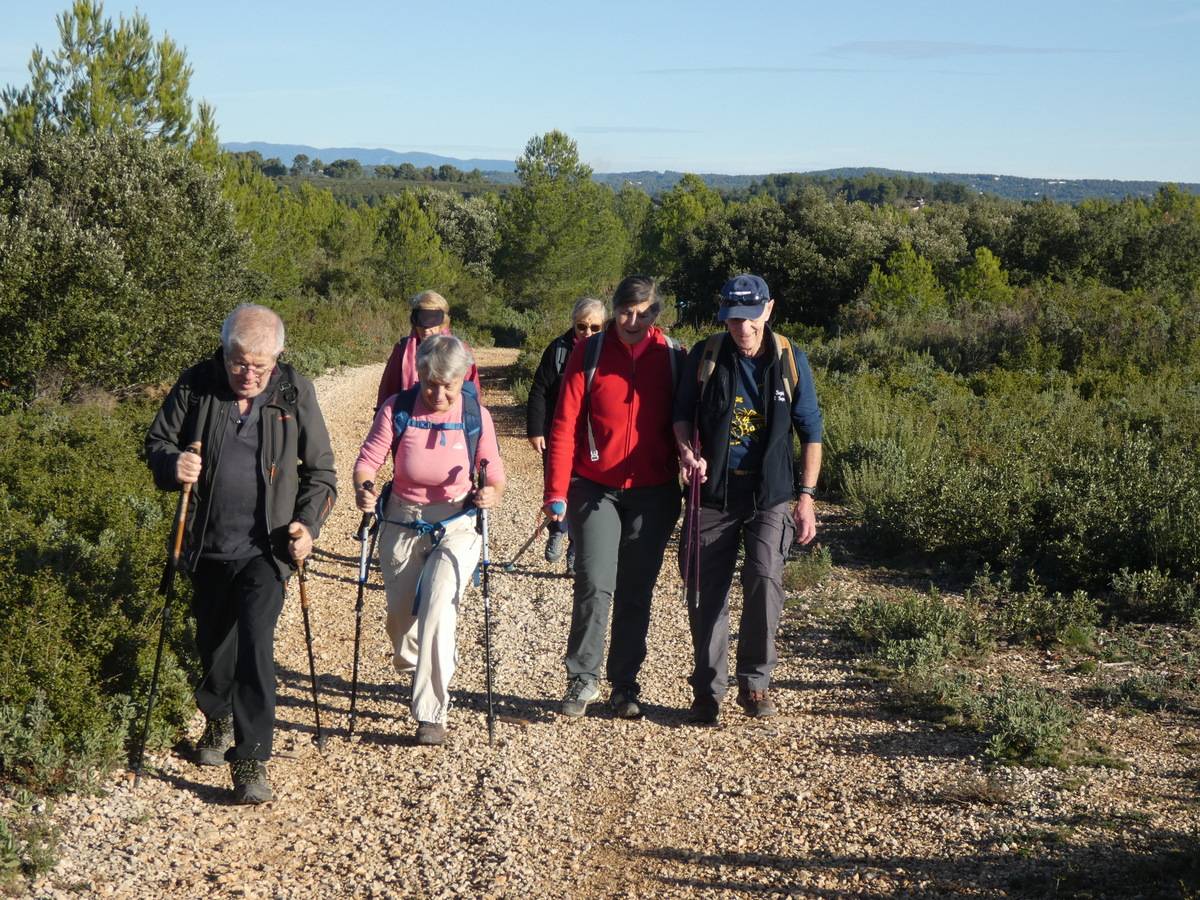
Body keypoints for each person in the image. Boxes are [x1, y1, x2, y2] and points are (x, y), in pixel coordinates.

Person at [145, 304, 337, 804]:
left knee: (255, 642)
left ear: (277, 358)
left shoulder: (295, 391)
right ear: (224, 350)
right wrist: (173, 465)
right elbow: (157, 442)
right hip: (206, 543)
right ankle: (218, 717)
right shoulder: (197, 383)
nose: (247, 374)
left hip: (267, 550)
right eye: (237, 362)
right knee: (213, 641)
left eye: (259, 365)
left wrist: (308, 526)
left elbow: (321, 474)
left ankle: (251, 757)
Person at [672, 274, 823, 724]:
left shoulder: (789, 359)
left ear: (768, 310)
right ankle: (707, 691)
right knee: (703, 590)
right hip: (713, 491)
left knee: (764, 580)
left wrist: (807, 497)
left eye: (751, 319)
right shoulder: (707, 355)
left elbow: (811, 432)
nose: (744, 329)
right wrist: (685, 451)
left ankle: (755, 684)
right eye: (735, 320)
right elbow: (681, 416)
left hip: (769, 493)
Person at [543, 275, 685, 719]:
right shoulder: (591, 352)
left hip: (654, 493)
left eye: (644, 313)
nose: (633, 321)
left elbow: (691, 424)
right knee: (593, 582)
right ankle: (583, 678)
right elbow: (564, 426)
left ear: (655, 314)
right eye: (626, 311)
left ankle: (624, 685)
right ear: (613, 309)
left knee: (636, 591)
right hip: (594, 488)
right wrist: (556, 492)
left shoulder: (674, 357)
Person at [354, 335, 505, 746]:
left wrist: (489, 491)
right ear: (420, 375)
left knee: (439, 604)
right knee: (402, 620)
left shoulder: (475, 416)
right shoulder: (397, 409)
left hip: (457, 523)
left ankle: (430, 711)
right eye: (431, 384)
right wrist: (364, 487)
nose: (438, 394)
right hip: (403, 519)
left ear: (462, 381)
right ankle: (423, 662)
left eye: (448, 386)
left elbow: (494, 474)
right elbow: (369, 460)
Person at [526, 296, 606, 573]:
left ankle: (576, 547)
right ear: (573, 324)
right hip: (557, 433)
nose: (587, 333)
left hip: (593, 439)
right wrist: (536, 430)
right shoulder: (558, 350)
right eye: (582, 326)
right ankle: (557, 530)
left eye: (595, 328)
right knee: (557, 486)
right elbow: (539, 390)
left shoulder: (609, 352)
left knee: (584, 491)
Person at [376, 290, 482, 409]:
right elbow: (389, 388)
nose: (426, 330)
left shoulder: (460, 350)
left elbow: (471, 390)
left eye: (431, 323)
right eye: (421, 324)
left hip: (451, 420)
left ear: (442, 322)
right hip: (408, 418)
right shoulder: (402, 349)